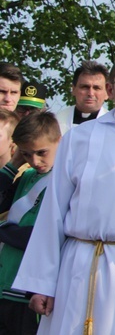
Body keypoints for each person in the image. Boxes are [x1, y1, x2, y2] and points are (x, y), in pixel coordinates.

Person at [13, 55, 115, 335]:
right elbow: (53, 211)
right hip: (78, 266)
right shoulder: (79, 137)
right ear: (110, 89)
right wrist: (42, 283)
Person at [0, 111, 61, 335]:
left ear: (59, 142)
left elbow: (37, 236)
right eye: (26, 155)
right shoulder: (27, 176)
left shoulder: (63, 179)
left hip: (31, 291)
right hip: (5, 284)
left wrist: (3, 231)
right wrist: (13, 165)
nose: (34, 161)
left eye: (41, 152)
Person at [55, 61, 109, 135]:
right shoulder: (56, 121)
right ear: (73, 89)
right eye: (85, 87)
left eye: (96, 88)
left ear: (107, 93)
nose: (90, 93)